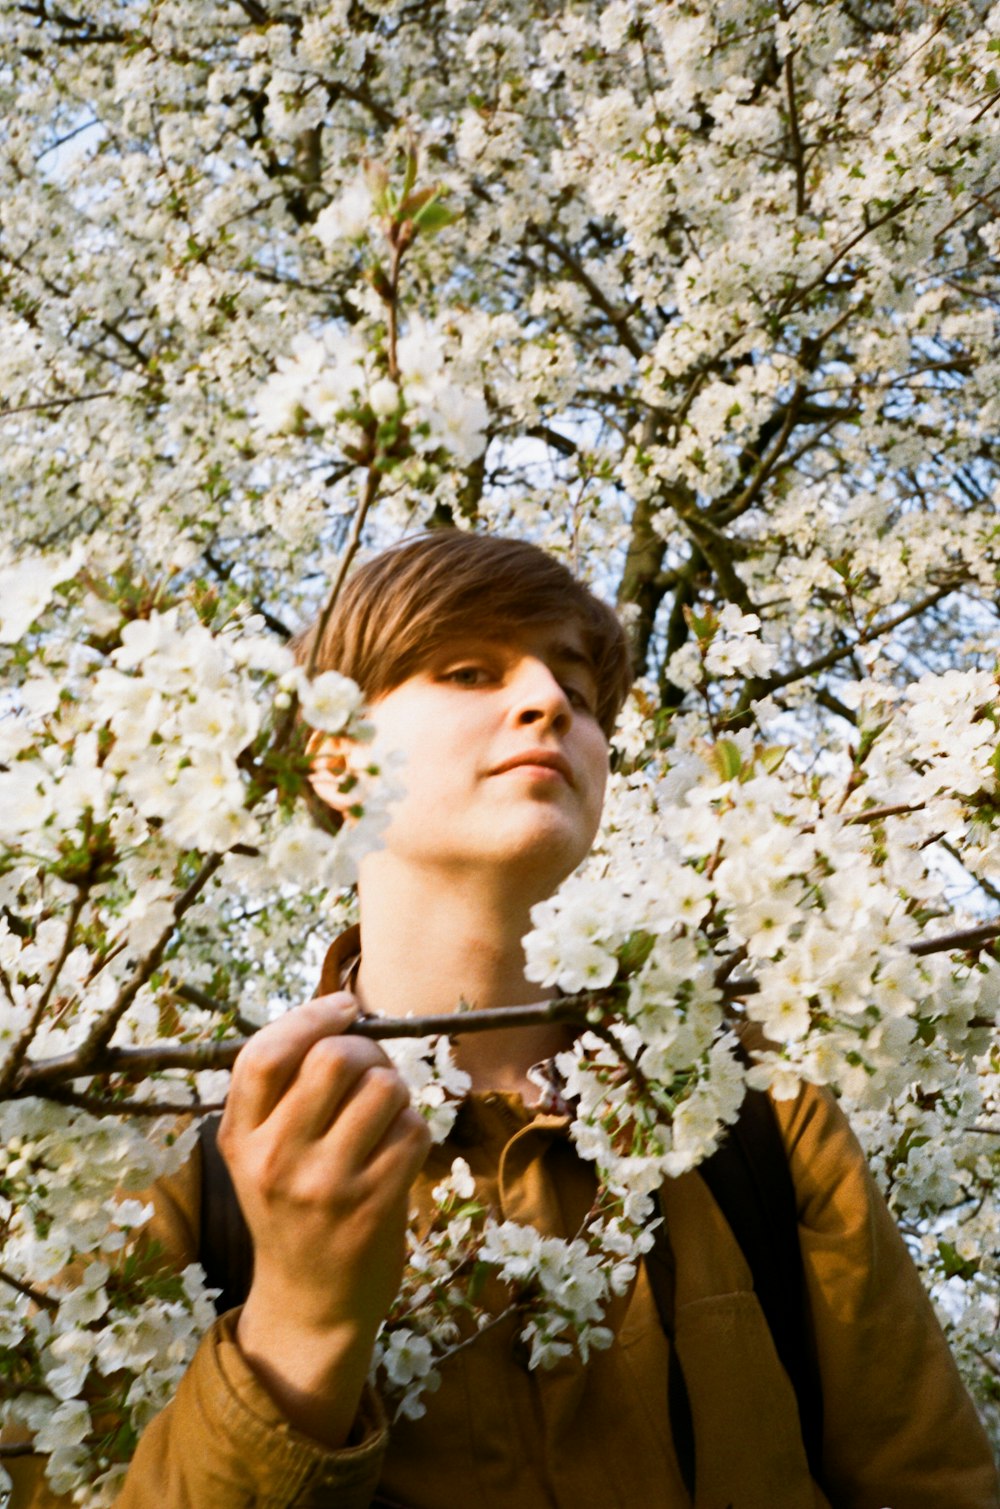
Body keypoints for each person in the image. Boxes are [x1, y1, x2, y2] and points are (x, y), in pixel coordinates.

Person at [8, 531, 999, 1508]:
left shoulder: (759, 1123)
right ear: (334, 761)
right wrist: (297, 1330)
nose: (547, 703)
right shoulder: (174, 1168)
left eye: (577, 690)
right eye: (471, 671)